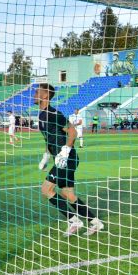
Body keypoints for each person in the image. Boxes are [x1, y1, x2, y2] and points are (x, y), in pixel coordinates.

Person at [35, 83, 103, 236]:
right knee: (67, 194)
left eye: (37, 92)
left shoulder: (53, 113)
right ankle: (96, 223)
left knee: (46, 189)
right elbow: (49, 138)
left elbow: (72, 131)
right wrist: (46, 156)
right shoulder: (41, 115)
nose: (34, 94)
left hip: (67, 158)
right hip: (61, 158)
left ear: (45, 96)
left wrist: (65, 151)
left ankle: (74, 221)